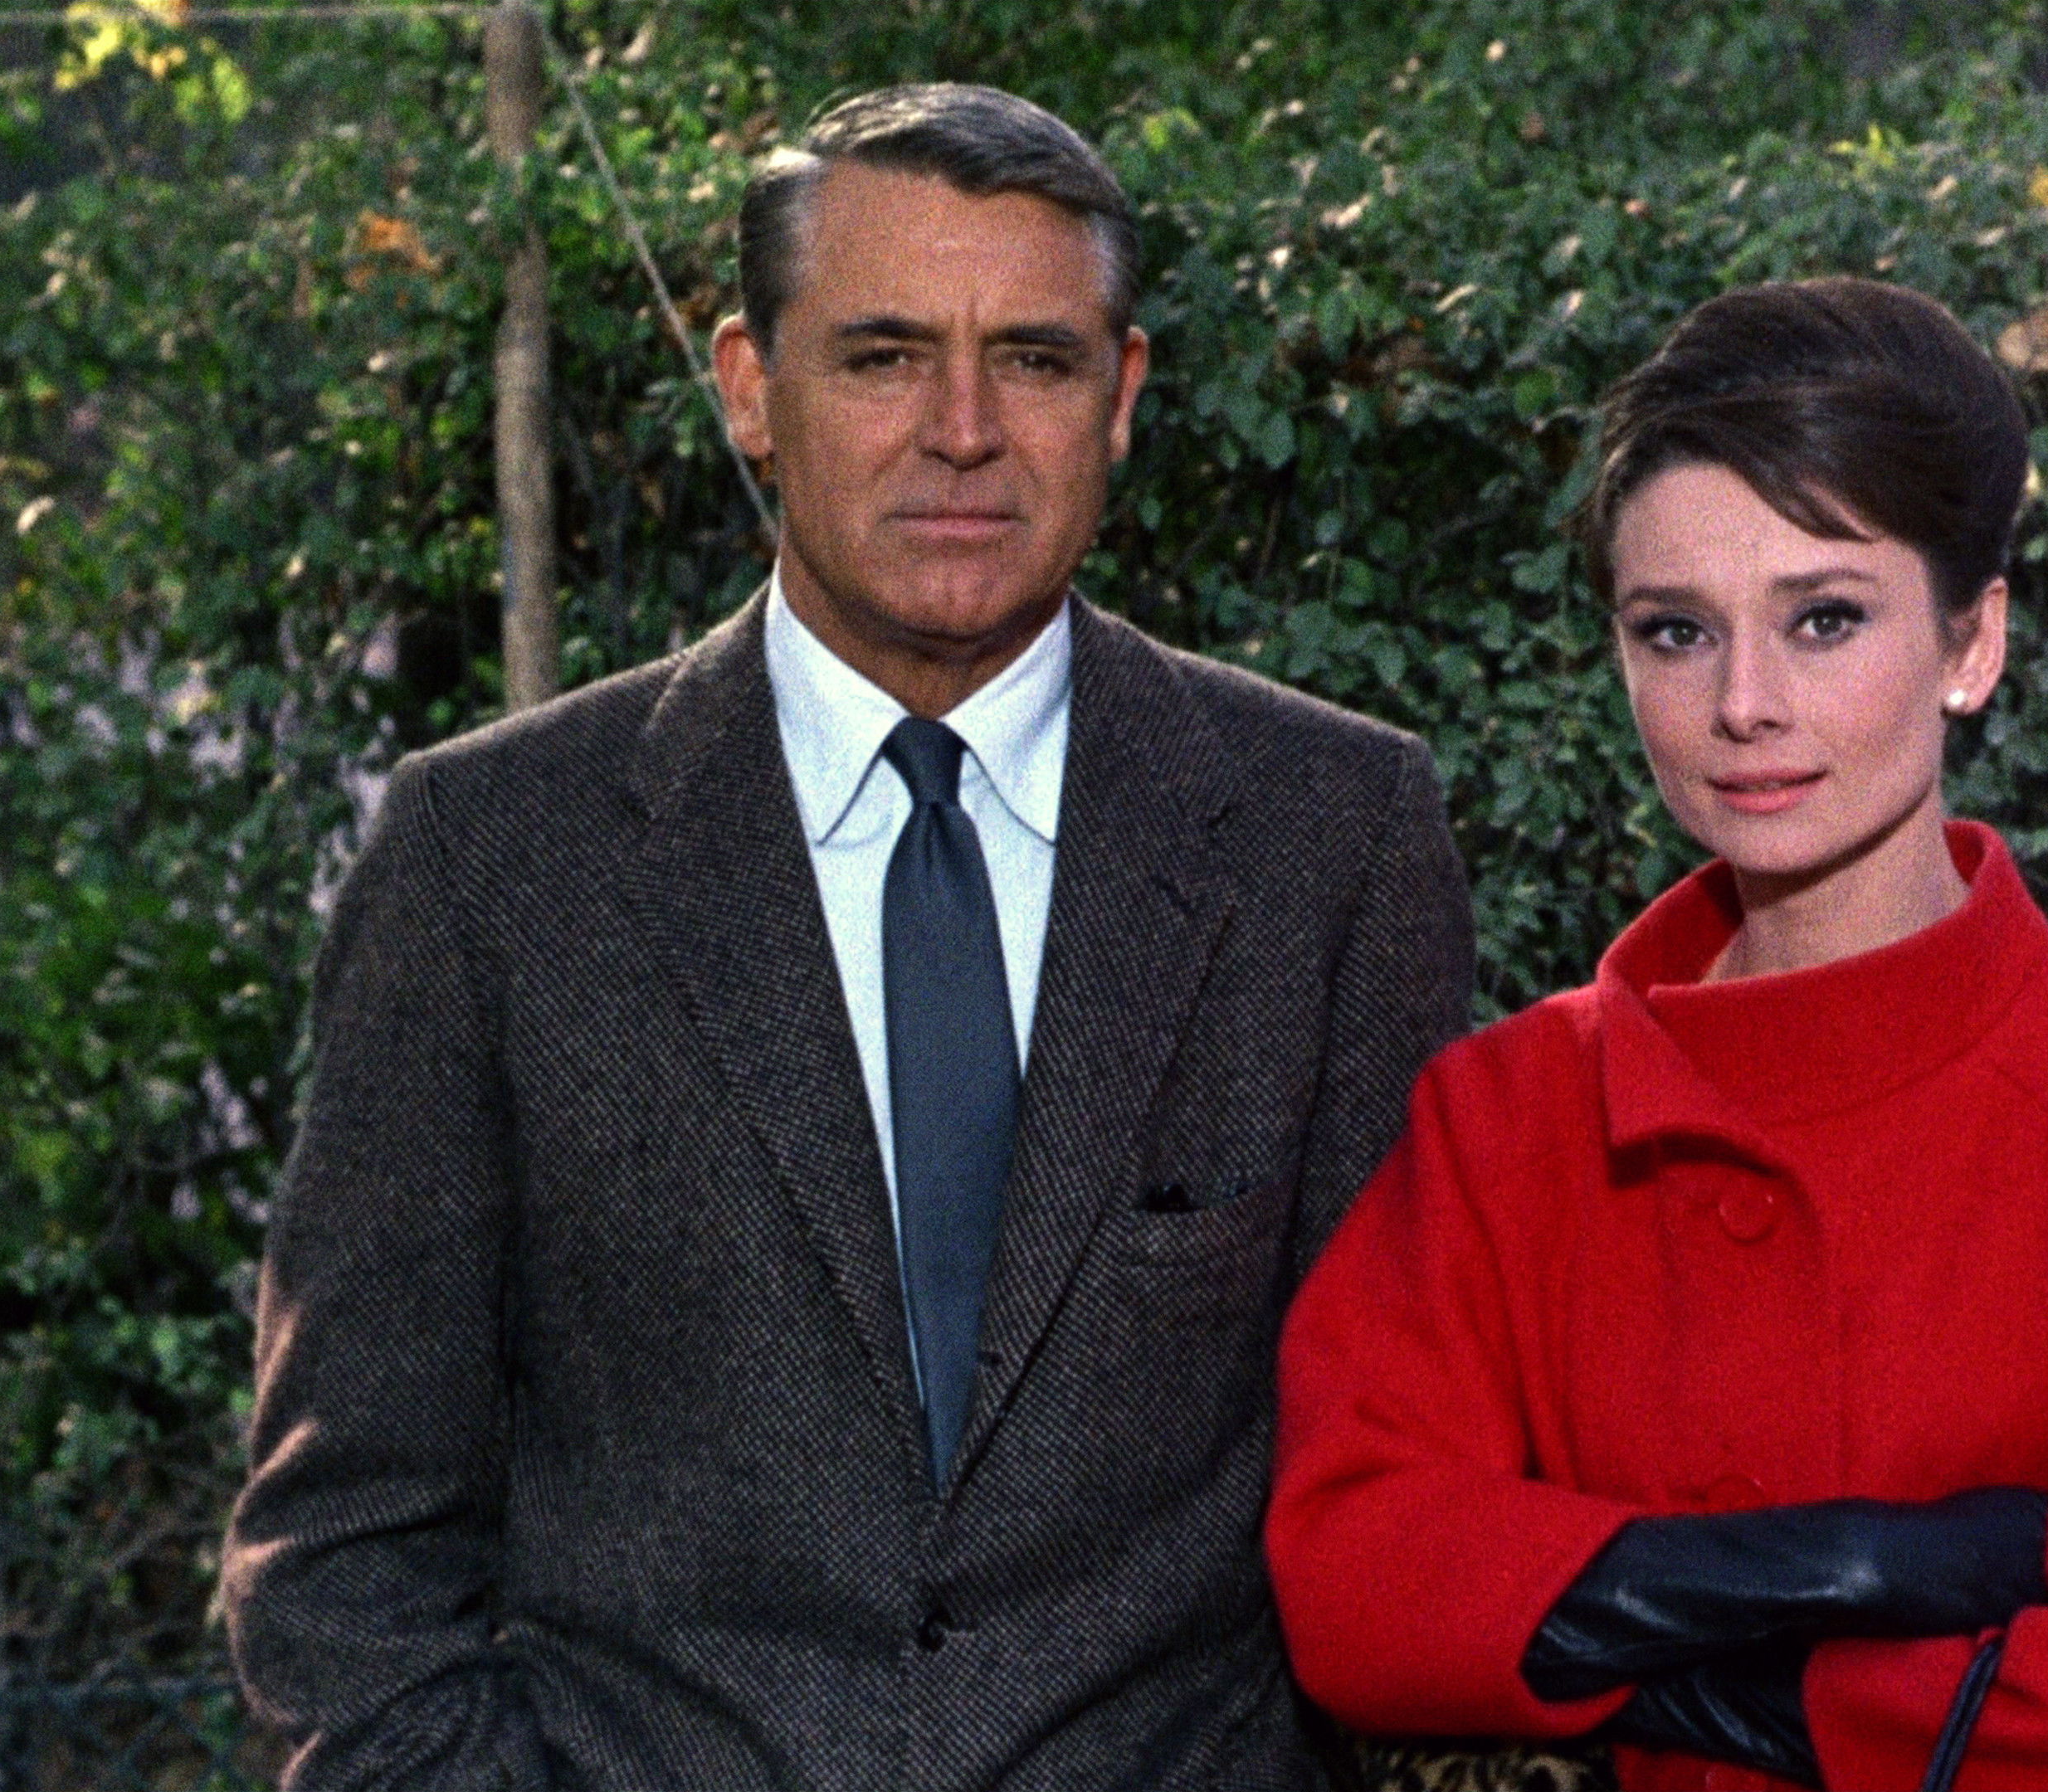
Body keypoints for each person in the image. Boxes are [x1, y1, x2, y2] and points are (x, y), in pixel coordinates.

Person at [222, 84, 1473, 1790]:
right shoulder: (490, 859)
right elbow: (346, 1544)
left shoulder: (1331, 837)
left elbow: (1398, 1499)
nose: (962, 430)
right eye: (883, 356)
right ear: (751, 388)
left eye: (1033, 360)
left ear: (1122, 397)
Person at [1266, 279, 2048, 1792]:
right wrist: (1846, 1576)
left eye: (1825, 619)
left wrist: (1644, 1660)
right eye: (1676, 632)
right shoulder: (1509, 1113)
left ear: (1972, 642)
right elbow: (1353, 1587)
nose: (1742, 704)